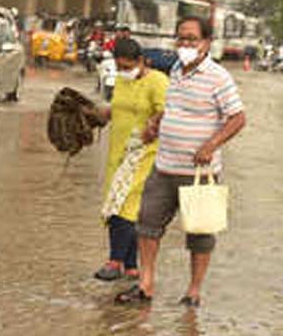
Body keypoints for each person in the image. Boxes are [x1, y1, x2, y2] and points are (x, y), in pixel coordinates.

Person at [115, 16, 247, 307]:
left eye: (192, 39)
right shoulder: (175, 69)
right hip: (164, 167)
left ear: (207, 43)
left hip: (199, 172)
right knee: (147, 226)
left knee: (200, 235)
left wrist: (211, 144)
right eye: (181, 38)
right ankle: (146, 284)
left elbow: (238, 118)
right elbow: (173, 107)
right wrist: (155, 124)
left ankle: (193, 292)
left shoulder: (218, 77)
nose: (185, 44)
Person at [94, 38, 169, 281]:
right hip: (118, 152)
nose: (123, 71)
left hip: (144, 154)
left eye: (127, 66)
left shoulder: (157, 81)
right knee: (122, 205)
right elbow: (119, 108)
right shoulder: (121, 82)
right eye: (119, 67)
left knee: (123, 206)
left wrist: (153, 124)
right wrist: (103, 113)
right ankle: (131, 264)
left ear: (141, 61)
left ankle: (114, 261)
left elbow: (167, 110)